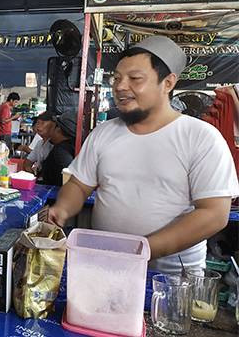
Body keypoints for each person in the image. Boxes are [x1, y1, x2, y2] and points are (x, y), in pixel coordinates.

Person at [48, 36, 239, 273]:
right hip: (106, 265)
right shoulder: (104, 133)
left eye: (135, 79)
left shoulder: (200, 138)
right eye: (116, 78)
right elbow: (78, 184)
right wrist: (62, 209)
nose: (120, 86)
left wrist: (142, 249)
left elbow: (213, 214)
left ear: (168, 83)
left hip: (170, 278)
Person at [39, 111, 76, 186]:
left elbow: (66, 179)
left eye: (52, 127)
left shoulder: (61, 151)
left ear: (58, 130)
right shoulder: (70, 146)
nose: (50, 132)